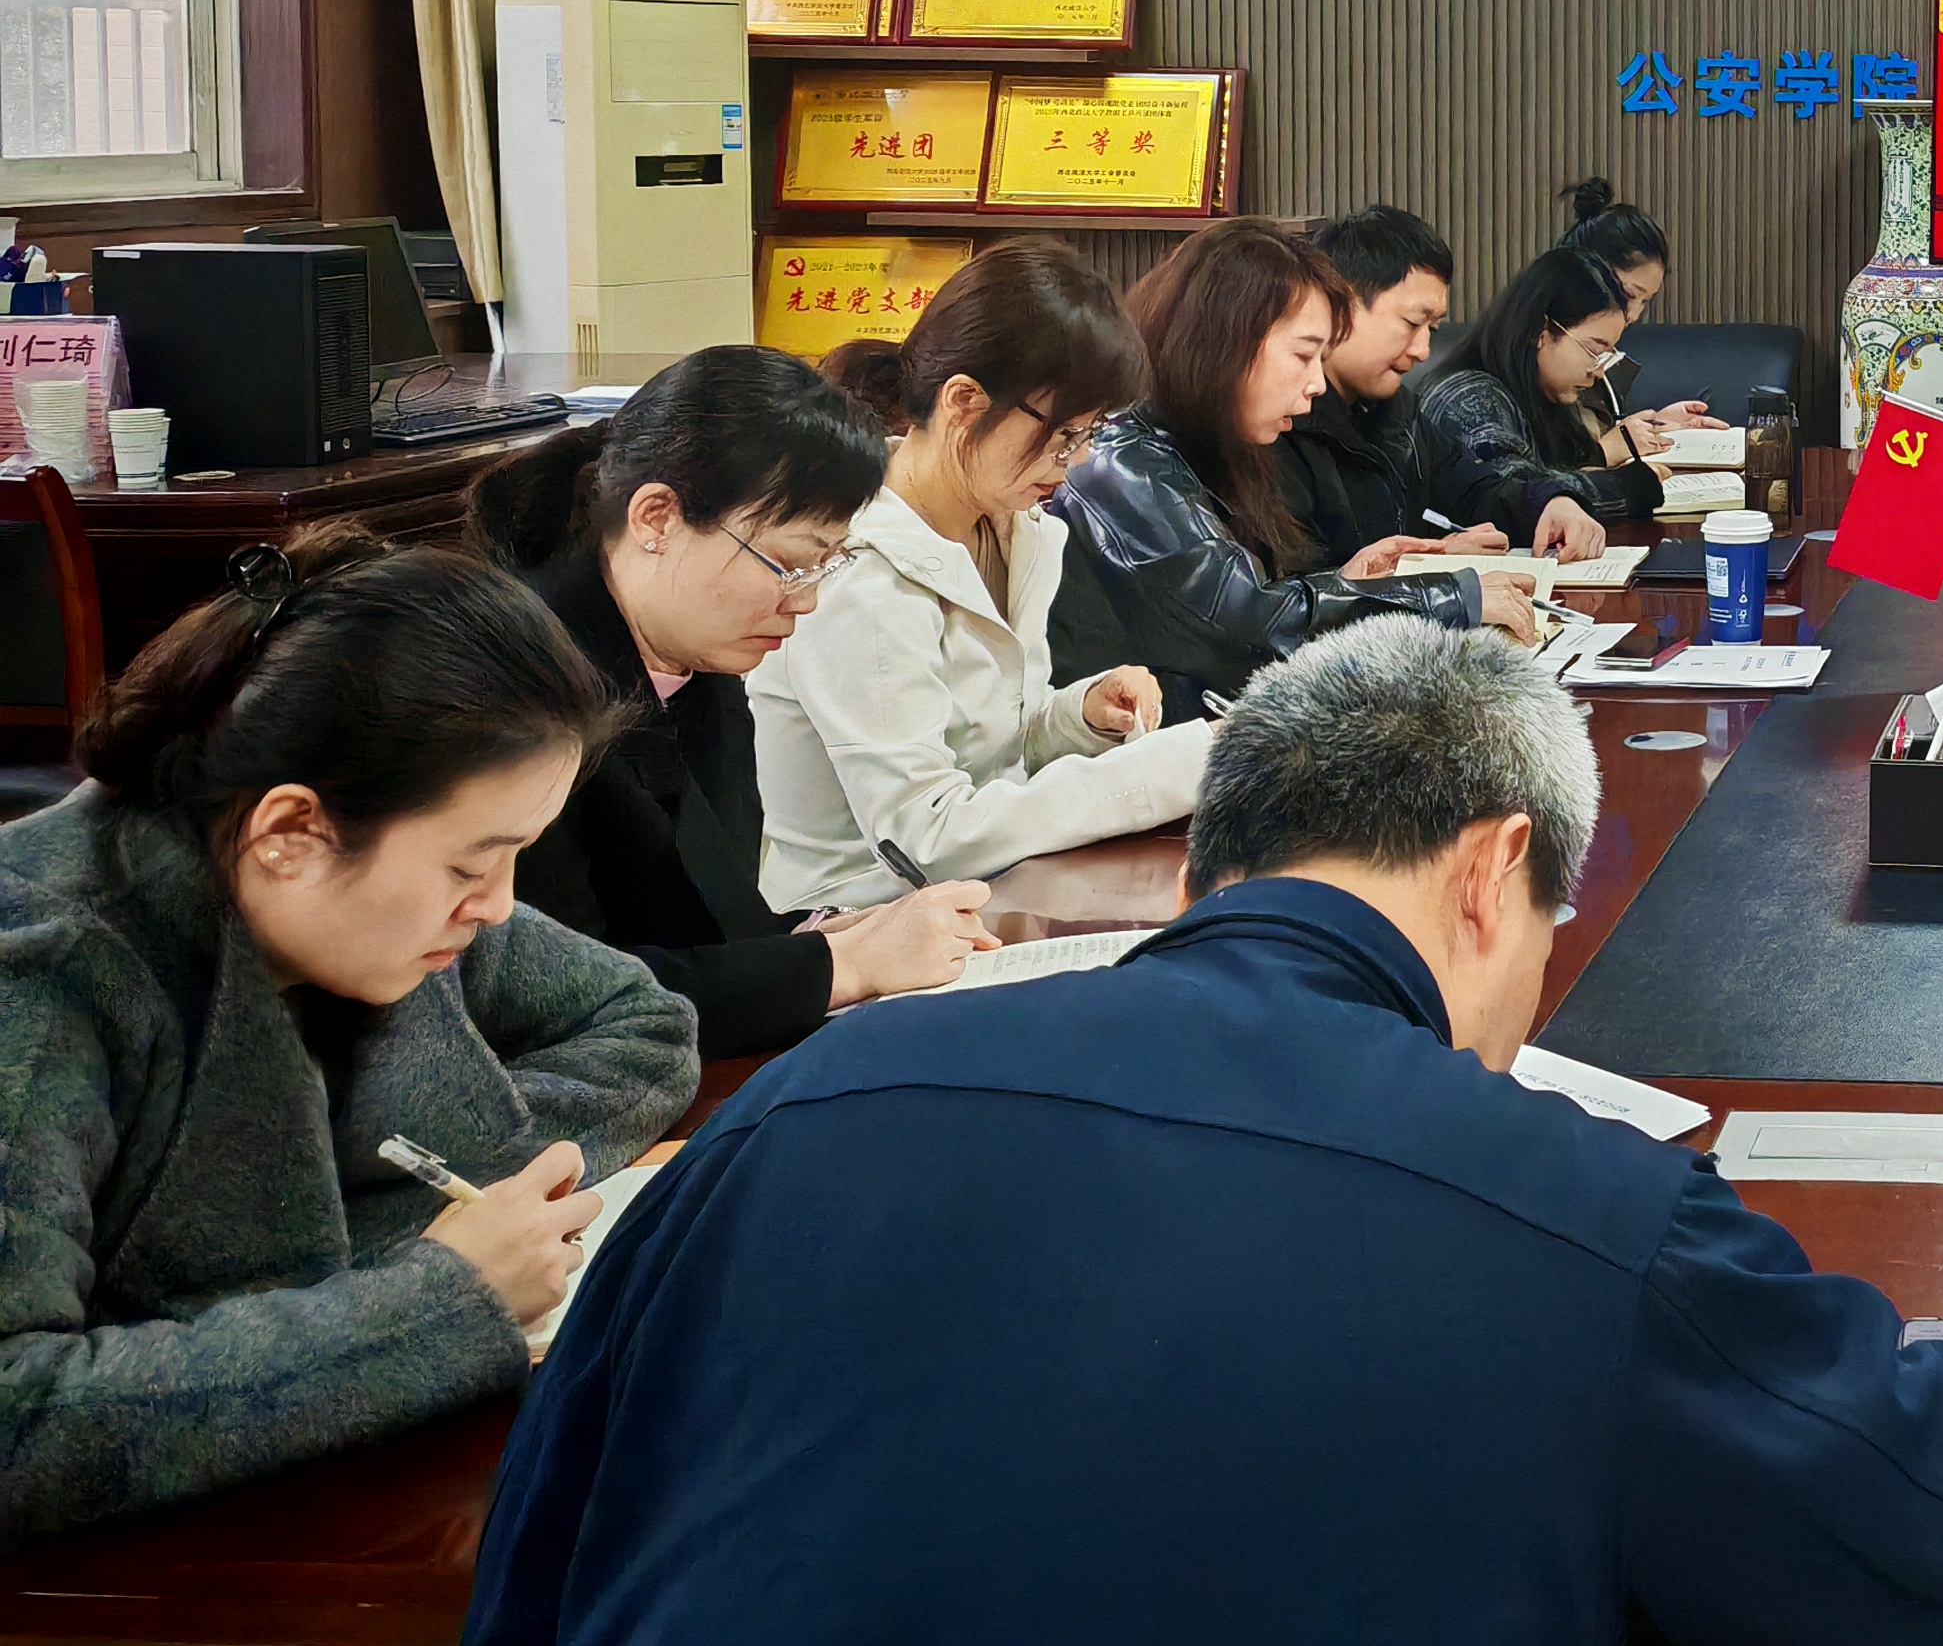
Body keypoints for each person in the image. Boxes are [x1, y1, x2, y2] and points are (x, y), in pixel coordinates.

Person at [459, 616, 1943, 1646]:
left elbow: (526, 1627)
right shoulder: (1584, 1215)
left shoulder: (795, 1109)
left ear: (1194, 873)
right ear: (1494, 874)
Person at [0, 530, 694, 1546]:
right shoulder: (44, 971)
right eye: (472, 865)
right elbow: (17, 1425)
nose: (499, 907)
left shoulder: (363, 896)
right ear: (290, 833)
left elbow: (644, 1024)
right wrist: (440, 1295)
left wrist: (437, 1216)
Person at [476, 344, 991, 1046]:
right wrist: (841, 965)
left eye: (824, 567)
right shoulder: (516, 687)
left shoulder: (702, 669)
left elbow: (705, 918)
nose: (804, 602)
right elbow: (554, 992)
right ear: (656, 518)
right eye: (787, 564)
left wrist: (824, 939)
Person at [758, 241, 1233, 914]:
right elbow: (929, 838)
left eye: (1089, 433)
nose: (1076, 461)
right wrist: (1166, 769)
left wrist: (1079, 717)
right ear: (963, 401)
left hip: (992, 888)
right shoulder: (859, 572)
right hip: (860, 919)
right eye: (1064, 435)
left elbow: (994, 750)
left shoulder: (1010, 526)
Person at [1052, 221, 1530, 714]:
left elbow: (1251, 601)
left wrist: (1348, 582)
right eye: (1303, 355)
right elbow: (1249, 628)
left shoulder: (1210, 439)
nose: (1317, 383)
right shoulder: (1122, 461)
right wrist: (1451, 597)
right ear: (1223, 339)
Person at [1280, 205, 1500, 571]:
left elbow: (1476, 491)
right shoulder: (1281, 423)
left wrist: (1552, 503)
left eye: (1431, 329)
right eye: (1412, 323)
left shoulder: (1397, 410)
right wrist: (1428, 564)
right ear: (1341, 304)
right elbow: (1293, 590)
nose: (1423, 351)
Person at [1413, 242, 1677, 546]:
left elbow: (1555, 471)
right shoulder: (1471, 397)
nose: (1598, 371)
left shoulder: (1538, 391)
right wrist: (1630, 486)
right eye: (1594, 350)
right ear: (1540, 331)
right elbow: (1519, 500)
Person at [1559, 173, 1712, 439]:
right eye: (1629, 294)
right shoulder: (1543, 360)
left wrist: (1654, 426)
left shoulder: (1603, 362)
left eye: (1645, 301)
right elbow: (1556, 460)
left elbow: (1601, 436)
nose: (1634, 314)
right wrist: (1612, 449)